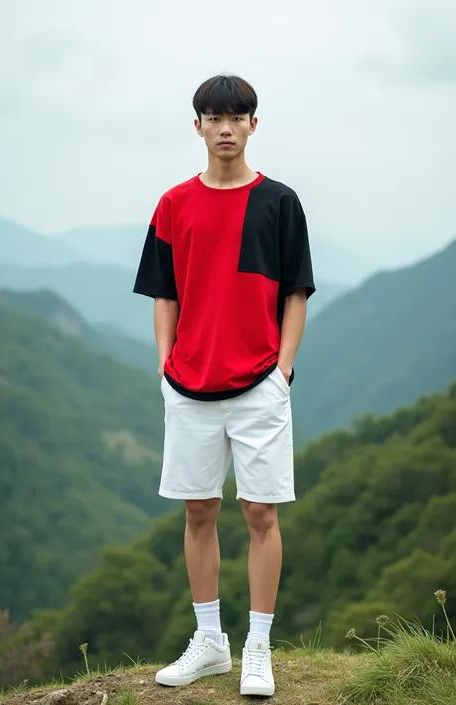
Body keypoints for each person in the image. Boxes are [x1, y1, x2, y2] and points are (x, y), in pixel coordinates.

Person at [133, 73, 315, 697]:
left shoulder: (280, 202)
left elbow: (296, 290)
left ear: (253, 125)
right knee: (198, 510)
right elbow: (165, 292)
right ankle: (210, 642)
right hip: (189, 383)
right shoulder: (174, 204)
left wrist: (283, 367)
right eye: (215, 118)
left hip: (261, 378)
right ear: (199, 127)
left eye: (238, 118)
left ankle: (258, 647)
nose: (226, 128)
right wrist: (165, 365)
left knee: (260, 511)